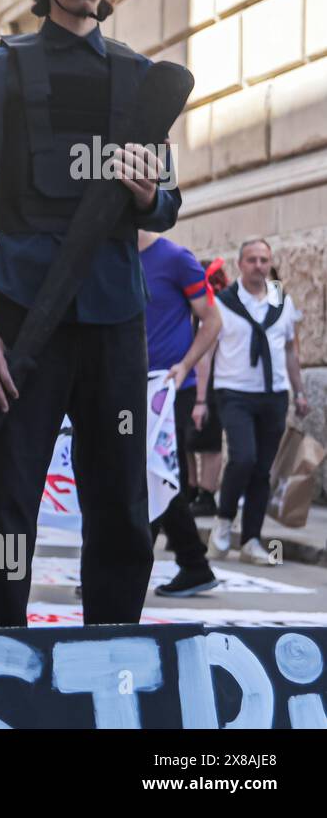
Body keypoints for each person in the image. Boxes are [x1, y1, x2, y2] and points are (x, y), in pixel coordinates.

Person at [0, 0, 180, 628]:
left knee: (120, 502)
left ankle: (114, 644)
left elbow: (166, 204)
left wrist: (151, 193)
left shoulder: (142, 79)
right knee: (4, 500)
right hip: (20, 314)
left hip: (115, 314)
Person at [208, 238, 308, 566]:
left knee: (262, 470)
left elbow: (291, 349)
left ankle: (251, 540)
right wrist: (198, 399)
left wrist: (300, 392)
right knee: (243, 458)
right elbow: (207, 349)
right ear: (240, 264)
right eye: (252, 260)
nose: (259, 266)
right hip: (234, 391)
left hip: (274, 393)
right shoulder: (224, 301)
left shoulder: (281, 300)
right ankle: (223, 521)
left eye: (264, 260)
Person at [138, 231, 221, 596]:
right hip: (124, 385)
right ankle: (191, 564)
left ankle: (131, 565)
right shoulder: (108, 252)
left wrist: (186, 366)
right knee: (143, 475)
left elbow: (212, 320)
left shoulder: (175, 258)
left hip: (168, 388)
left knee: (157, 473)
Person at [187, 259, 230, 517]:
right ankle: (192, 488)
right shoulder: (193, 310)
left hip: (211, 382)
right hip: (192, 379)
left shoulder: (214, 308)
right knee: (188, 440)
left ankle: (206, 493)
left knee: (208, 440)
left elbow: (206, 356)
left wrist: (201, 398)